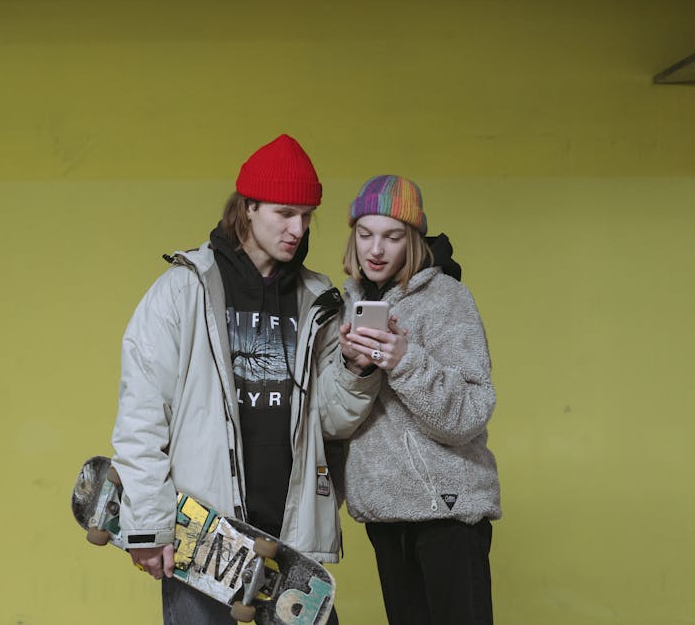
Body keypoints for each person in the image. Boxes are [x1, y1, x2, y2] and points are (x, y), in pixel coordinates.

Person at [110, 134, 378, 624]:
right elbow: (143, 413)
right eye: (284, 213)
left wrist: (358, 370)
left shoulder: (318, 301)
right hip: (203, 532)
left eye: (307, 216)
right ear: (248, 208)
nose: (298, 229)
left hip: (291, 534)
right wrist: (148, 527)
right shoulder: (183, 290)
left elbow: (332, 422)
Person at [336, 175, 500, 625]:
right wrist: (354, 368)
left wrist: (406, 361)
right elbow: (336, 420)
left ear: (412, 239)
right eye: (365, 234)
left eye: (391, 236)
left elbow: (470, 412)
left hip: (447, 513)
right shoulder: (343, 309)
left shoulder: (447, 299)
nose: (376, 249)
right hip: (385, 513)